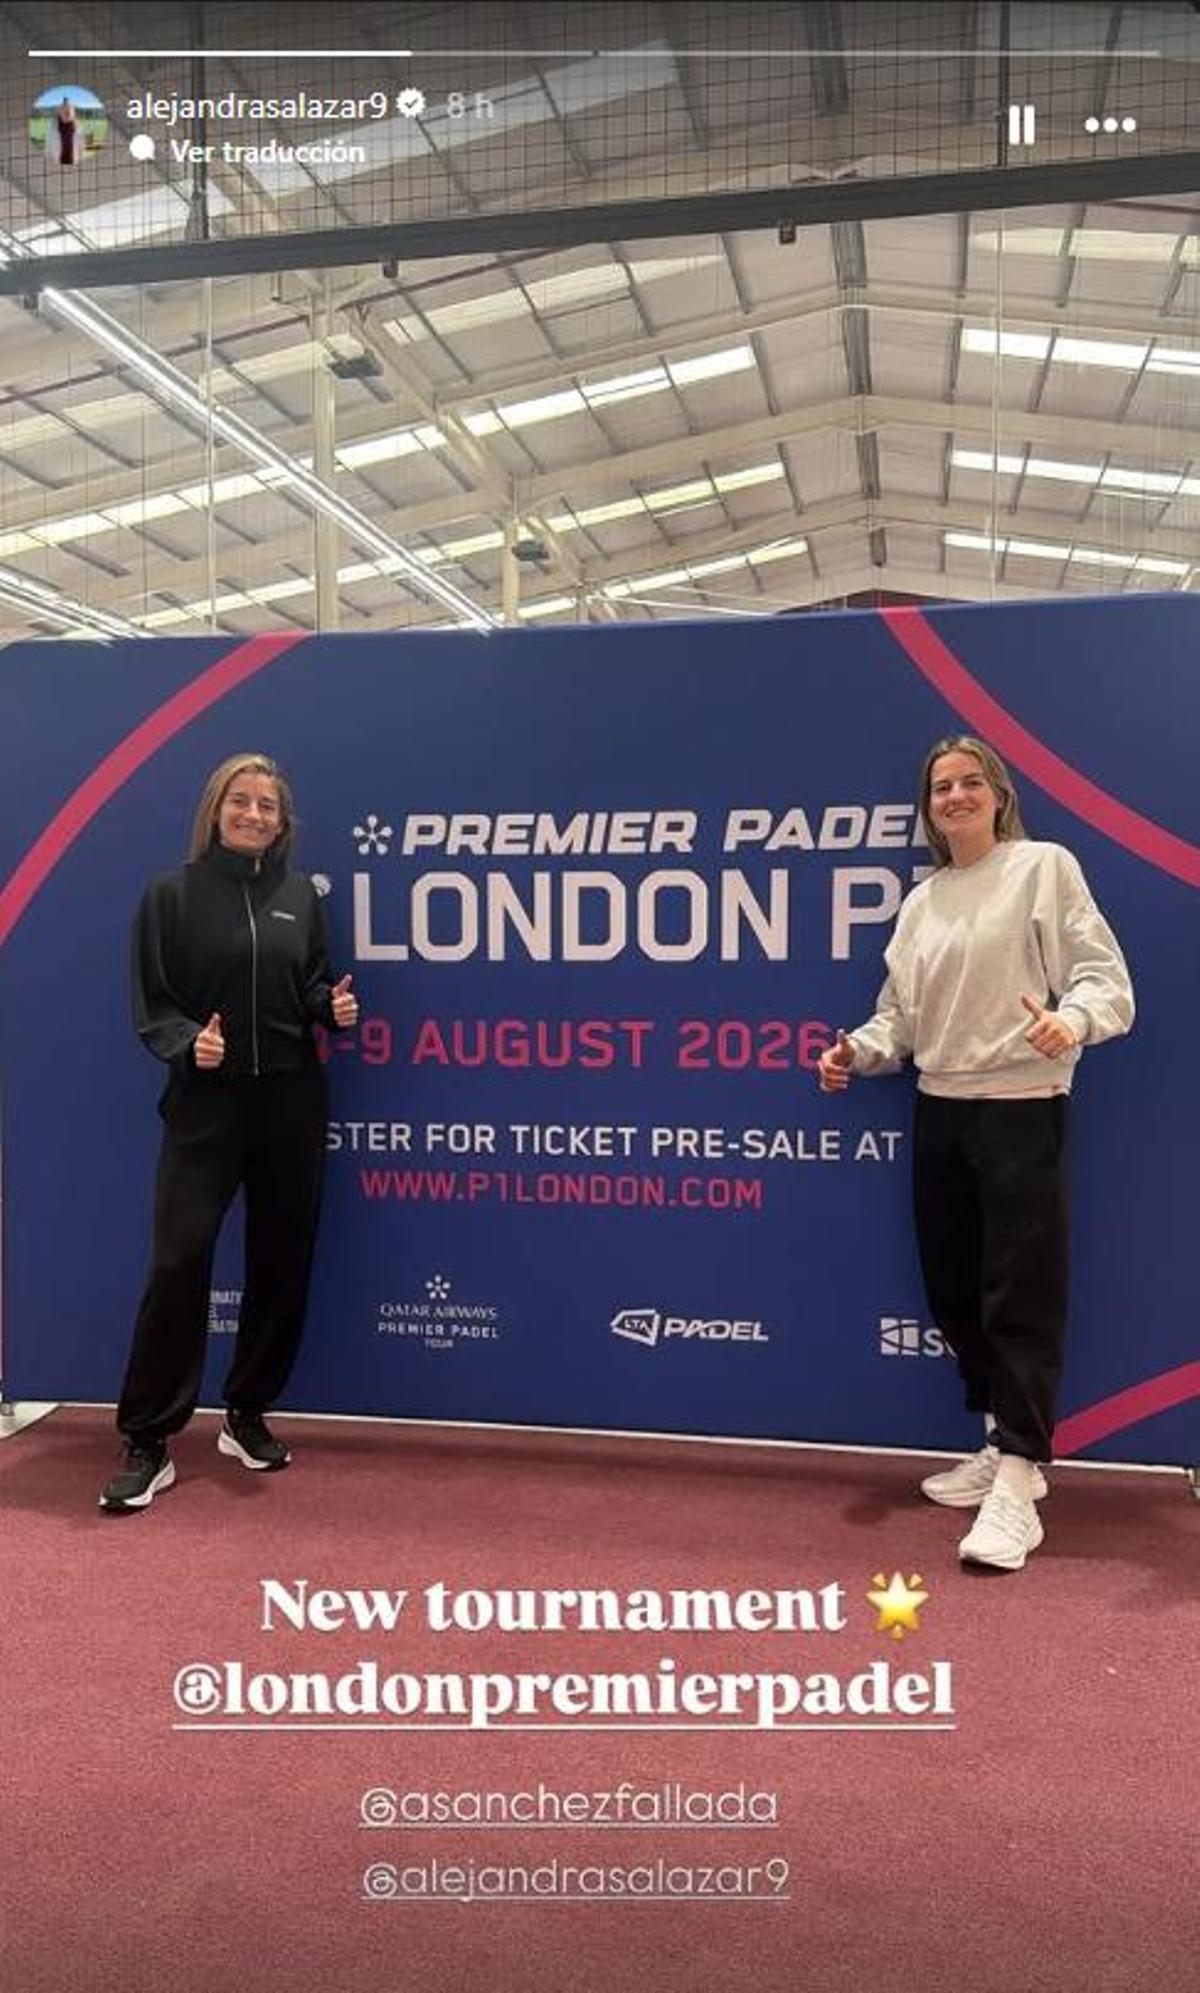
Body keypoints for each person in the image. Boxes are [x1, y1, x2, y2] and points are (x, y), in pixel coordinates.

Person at [817, 735, 1134, 1572]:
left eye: (968, 783)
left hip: (1024, 1109)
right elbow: (901, 1018)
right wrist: (858, 1049)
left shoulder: (1043, 867)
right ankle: (998, 1442)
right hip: (941, 1111)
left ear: (997, 794)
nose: (953, 796)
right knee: (956, 1294)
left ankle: (1023, 1478)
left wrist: (1073, 1020)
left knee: (1021, 1298)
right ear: (928, 808)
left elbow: (1106, 979)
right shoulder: (924, 902)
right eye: (939, 787)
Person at [99, 753, 358, 1512]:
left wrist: (329, 1008)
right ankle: (148, 1438)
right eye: (241, 801)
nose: (254, 814)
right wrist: (189, 1043)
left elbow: (313, 981)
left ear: (282, 822)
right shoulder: (170, 895)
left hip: (290, 1100)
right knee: (180, 1262)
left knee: (283, 1260)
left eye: (267, 806)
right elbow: (152, 1002)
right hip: (205, 1108)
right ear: (216, 809)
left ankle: (246, 1413)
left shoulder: (301, 897)